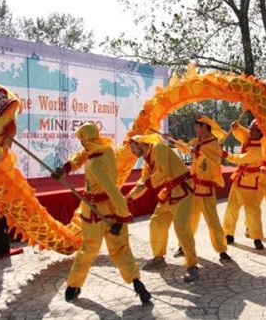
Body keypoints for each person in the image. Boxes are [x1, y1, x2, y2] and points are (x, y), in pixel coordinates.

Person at [53, 123, 151, 303]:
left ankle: (73, 286)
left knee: (88, 250)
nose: (81, 144)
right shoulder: (105, 151)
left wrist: (121, 220)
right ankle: (137, 282)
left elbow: (113, 190)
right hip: (111, 210)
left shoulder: (96, 165)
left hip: (96, 214)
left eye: (81, 140)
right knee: (121, 249)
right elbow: (81, 156)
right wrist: (66, 168)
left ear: (86, 140)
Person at [126, 134, 199, 282]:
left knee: (181, 226)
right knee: (156, 222)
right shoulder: (147, 160)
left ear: (140, 143)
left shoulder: (158, 148)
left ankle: (192, 266)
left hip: (183, 191)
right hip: (169, 193)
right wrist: (128, 198)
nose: (132, 152)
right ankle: (159, 258)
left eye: (132, 148)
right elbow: (143, 180)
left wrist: (145, 185)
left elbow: (162, 172)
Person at [173, 115, 231, 261]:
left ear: (204, 126)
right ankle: (183, 245)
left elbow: (213, 161)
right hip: (194, 188)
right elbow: (186, 148)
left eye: (197, 126)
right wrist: (173, 140)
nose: (195, 129)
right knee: (189, 219)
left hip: (206, 188)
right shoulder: (197, 142)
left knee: (212, 220)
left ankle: (221, 249)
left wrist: (198, 154)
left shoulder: (214, 144)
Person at [222, 119, 266, 250]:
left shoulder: (260, 148)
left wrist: (226, 154)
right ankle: (228, 234)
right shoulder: (249, 138)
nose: (250, 131)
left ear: (260, 132)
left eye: (253, 129)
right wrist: (236, 127)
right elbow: (243, 132)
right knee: (231, 208)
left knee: (253, 211)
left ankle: (256, 237)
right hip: (239, 179)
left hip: (252, 183)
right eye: (250, 128)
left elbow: (241, 158)